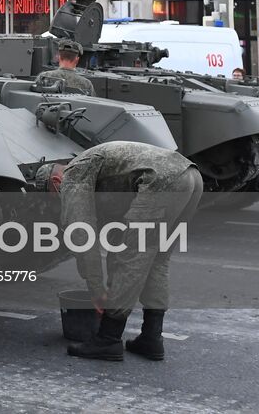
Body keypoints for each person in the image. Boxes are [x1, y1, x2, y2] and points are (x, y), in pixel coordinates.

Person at [35, 141, 203, 362]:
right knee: (157, 259)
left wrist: (97, 291)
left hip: (161, 180)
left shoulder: (73, 174)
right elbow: (116, 233)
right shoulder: (98, 168)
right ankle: (151, 338)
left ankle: (108, 339)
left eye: (56, 196)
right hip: (191, 175)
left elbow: (81, 234)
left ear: (56, 182)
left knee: (132, 257)